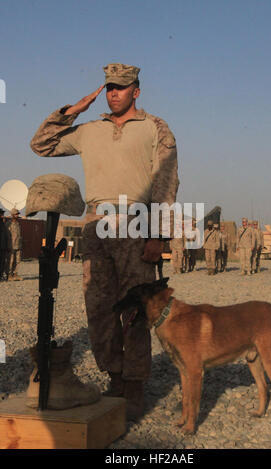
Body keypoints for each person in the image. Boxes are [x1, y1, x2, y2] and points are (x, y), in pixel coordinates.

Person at [30, 63, 179, 420]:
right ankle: (114, 377)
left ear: (136, 91)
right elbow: (41, 145)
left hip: (134, 219)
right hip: (96, 221)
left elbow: (166, 181)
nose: (114, 93)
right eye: (109, 87)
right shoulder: (89, 129)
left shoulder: (155, 128)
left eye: (122, 88)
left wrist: (158, 234)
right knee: (99, 306)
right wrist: (70, 112)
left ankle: (135, 385)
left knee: (137, 308)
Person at [6, 208, 23, 281]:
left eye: (17, 214)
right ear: (12, 215)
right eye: (16, 214)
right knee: (11, 260)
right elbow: (7, 236)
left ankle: (15, 274)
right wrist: (8, 245)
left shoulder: (18, 224)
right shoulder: (8, 224)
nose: (17, 215)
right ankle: (9, 275)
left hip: (18, 245)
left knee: (17, 261)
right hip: (11, 245)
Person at [0, 209, 8, 281]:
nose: (2, 215)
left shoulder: (3, 224)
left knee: (2, 262)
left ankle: (1, 275)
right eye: (1, 214)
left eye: (2, 213)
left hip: (3, 246)